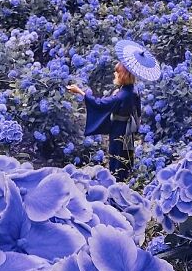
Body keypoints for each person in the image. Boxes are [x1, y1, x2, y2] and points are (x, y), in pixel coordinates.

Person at [67, 39, 161, 179]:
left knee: (117, 156)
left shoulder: (122, 95)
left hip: (119, 129)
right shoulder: (132, 90)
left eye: (116, 73)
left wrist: (80, 92)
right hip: (127, 128)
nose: (114, 74)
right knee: (126, 154)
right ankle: (126, 177)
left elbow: (99, 104)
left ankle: (117, 181)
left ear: (122, 75)